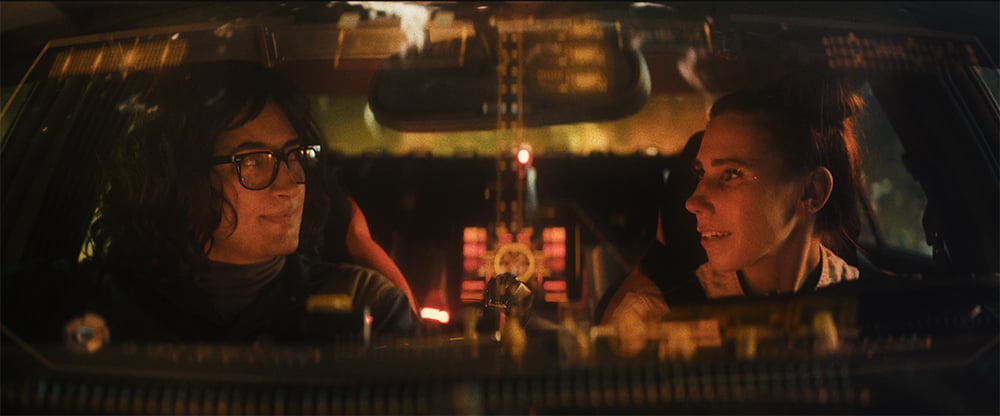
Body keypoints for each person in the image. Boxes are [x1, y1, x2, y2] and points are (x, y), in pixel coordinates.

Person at [78, 60, 418, 343]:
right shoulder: (95, 303)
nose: (290, 184)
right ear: (180, 177)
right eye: (254, 161)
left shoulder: (364, 305)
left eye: (294, 155)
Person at [600, 70, 869, 355]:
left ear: (810, 192)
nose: (693, 202)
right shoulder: (656, 323)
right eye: (700, 174)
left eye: (731, 174)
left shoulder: (875, 312)